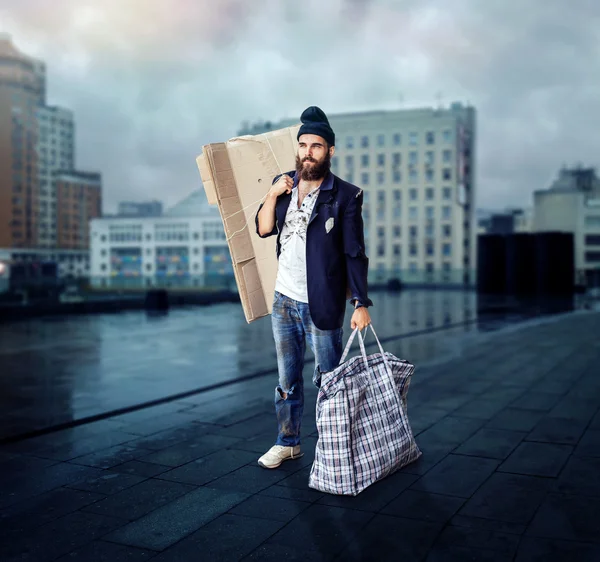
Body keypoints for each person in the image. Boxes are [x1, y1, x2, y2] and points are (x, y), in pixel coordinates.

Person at [255, 106, 373, 469]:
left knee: (328, 380)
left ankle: (332, 447)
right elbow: (262, 229)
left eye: (316, 146)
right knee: (287, 378)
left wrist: (361, 303)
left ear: (330, 151)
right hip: (284, 300)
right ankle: (288, 442)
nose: (308, 152)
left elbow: (354, 252)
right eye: (303, 145)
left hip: (321, 302)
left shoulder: (345, 195)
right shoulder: (284, 183)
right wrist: (273, 195)